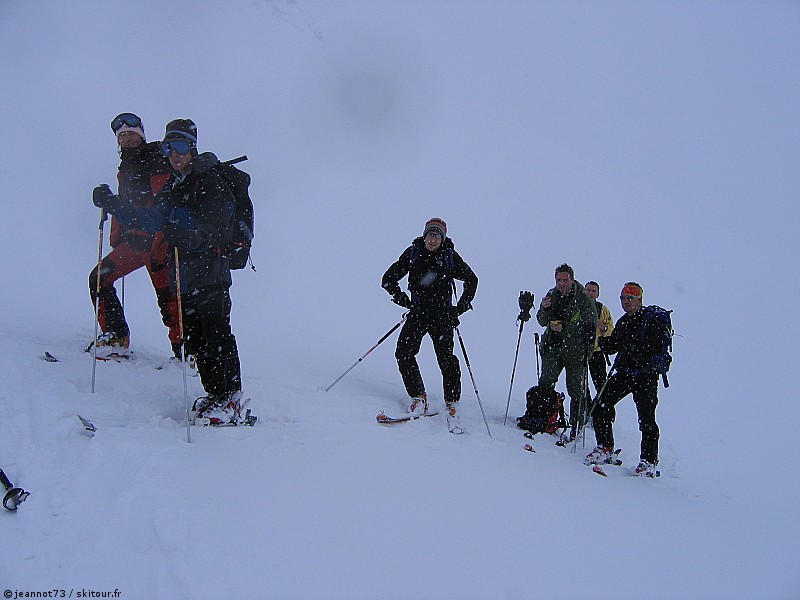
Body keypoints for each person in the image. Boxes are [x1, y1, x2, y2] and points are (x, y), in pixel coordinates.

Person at [92, 119, 245, 425]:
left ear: (192, 147)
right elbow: (148, 220)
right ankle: (215, 396)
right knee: (196, 338)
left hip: (211, 272)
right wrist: (112, 203)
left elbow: (217, 228)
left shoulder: (209, 181)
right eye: (167, 148)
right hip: (185, 275)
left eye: (179, 146)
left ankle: (230, 400)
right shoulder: (176, 185)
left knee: (217, 335)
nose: (174, 154)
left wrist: (189, 236)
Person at [87, 113, 180, 359]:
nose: (126, 139)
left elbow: (161, 207)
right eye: (122, 136)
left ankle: (186, 352)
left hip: (157, 243)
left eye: (131, 134)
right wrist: (118, 233)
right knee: (99, 278)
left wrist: (161, 242)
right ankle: (116, 337)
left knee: (169, 300)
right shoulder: (126, 166)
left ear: (141, 135)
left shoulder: (157, 159)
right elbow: (127, 203)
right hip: (135, 243)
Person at [381, 218, 478, 431]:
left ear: (442, 238)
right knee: (404, 352)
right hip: (418, 313)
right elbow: (388, 279)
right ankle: (418, 396)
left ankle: (452, 402)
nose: (432, 239)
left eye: (437, 236)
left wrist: (459, 308)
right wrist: (402, 299)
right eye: (430, 235)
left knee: (446, 359)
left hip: (442, 315)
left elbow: (472, 280)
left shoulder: (449, 257)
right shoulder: (413, 253)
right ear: (424, 235)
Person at [585, 282, 662, 477]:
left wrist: (627, 345)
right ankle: (605, 447)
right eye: (622, 298)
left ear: (640, 300)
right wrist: (602, 339)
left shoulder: (649, 321)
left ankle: (649, 461)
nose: (625, 302)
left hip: (645, 376)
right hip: (626, 373)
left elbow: (647, 348)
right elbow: (614, 346)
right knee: (601, 403)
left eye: (630, 298)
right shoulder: (623, 322)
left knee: (646, 419)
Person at [535, 264, 597, 435]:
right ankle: (544, 420)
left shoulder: (584, 299)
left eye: (565, 280)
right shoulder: (551, 295)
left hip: (575, 352)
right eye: (558, 280)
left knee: (576, 389)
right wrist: (545, 309)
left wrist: (566, 329)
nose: (561, 284)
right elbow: (541, 321)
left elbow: (590, 328)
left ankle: (578, 426)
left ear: (572, 279)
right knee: (546, 383)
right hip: (553, 347)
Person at [584, 280, 614, 396]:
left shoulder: (603, 310)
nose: (590, 293)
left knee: (601, 386)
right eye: (588, 290)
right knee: (580, 386)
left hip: (597, 351)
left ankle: (600, 410)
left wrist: (603, 328)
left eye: (593, 291)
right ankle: (584, 409)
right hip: (580, 351)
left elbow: (611, 331)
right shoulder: (577, 307)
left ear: (598, 294)